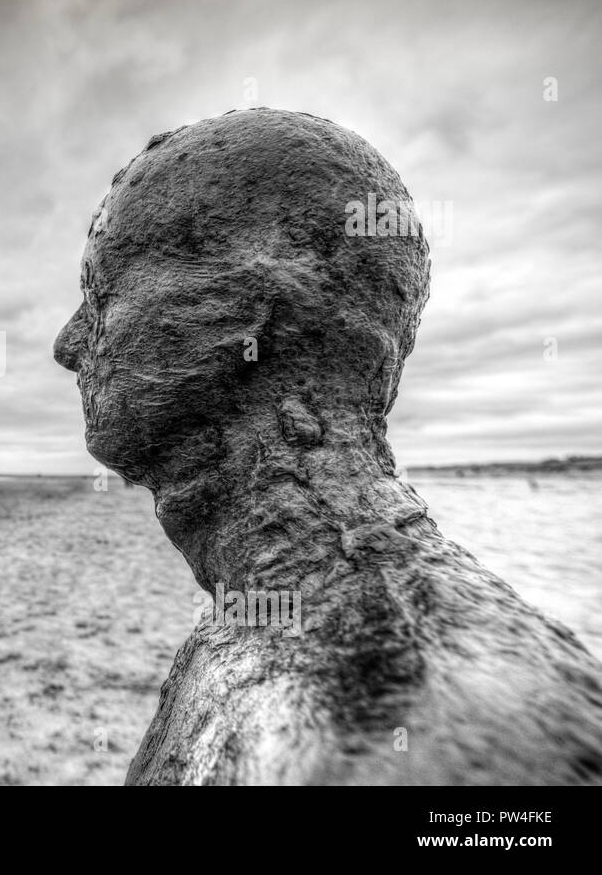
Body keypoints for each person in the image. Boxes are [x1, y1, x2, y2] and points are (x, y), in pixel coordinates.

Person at [53, 108, 602, 784]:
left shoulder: (386, 729)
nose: (69, 343)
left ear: (245, 312)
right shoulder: (260, 607)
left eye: (101, 292)